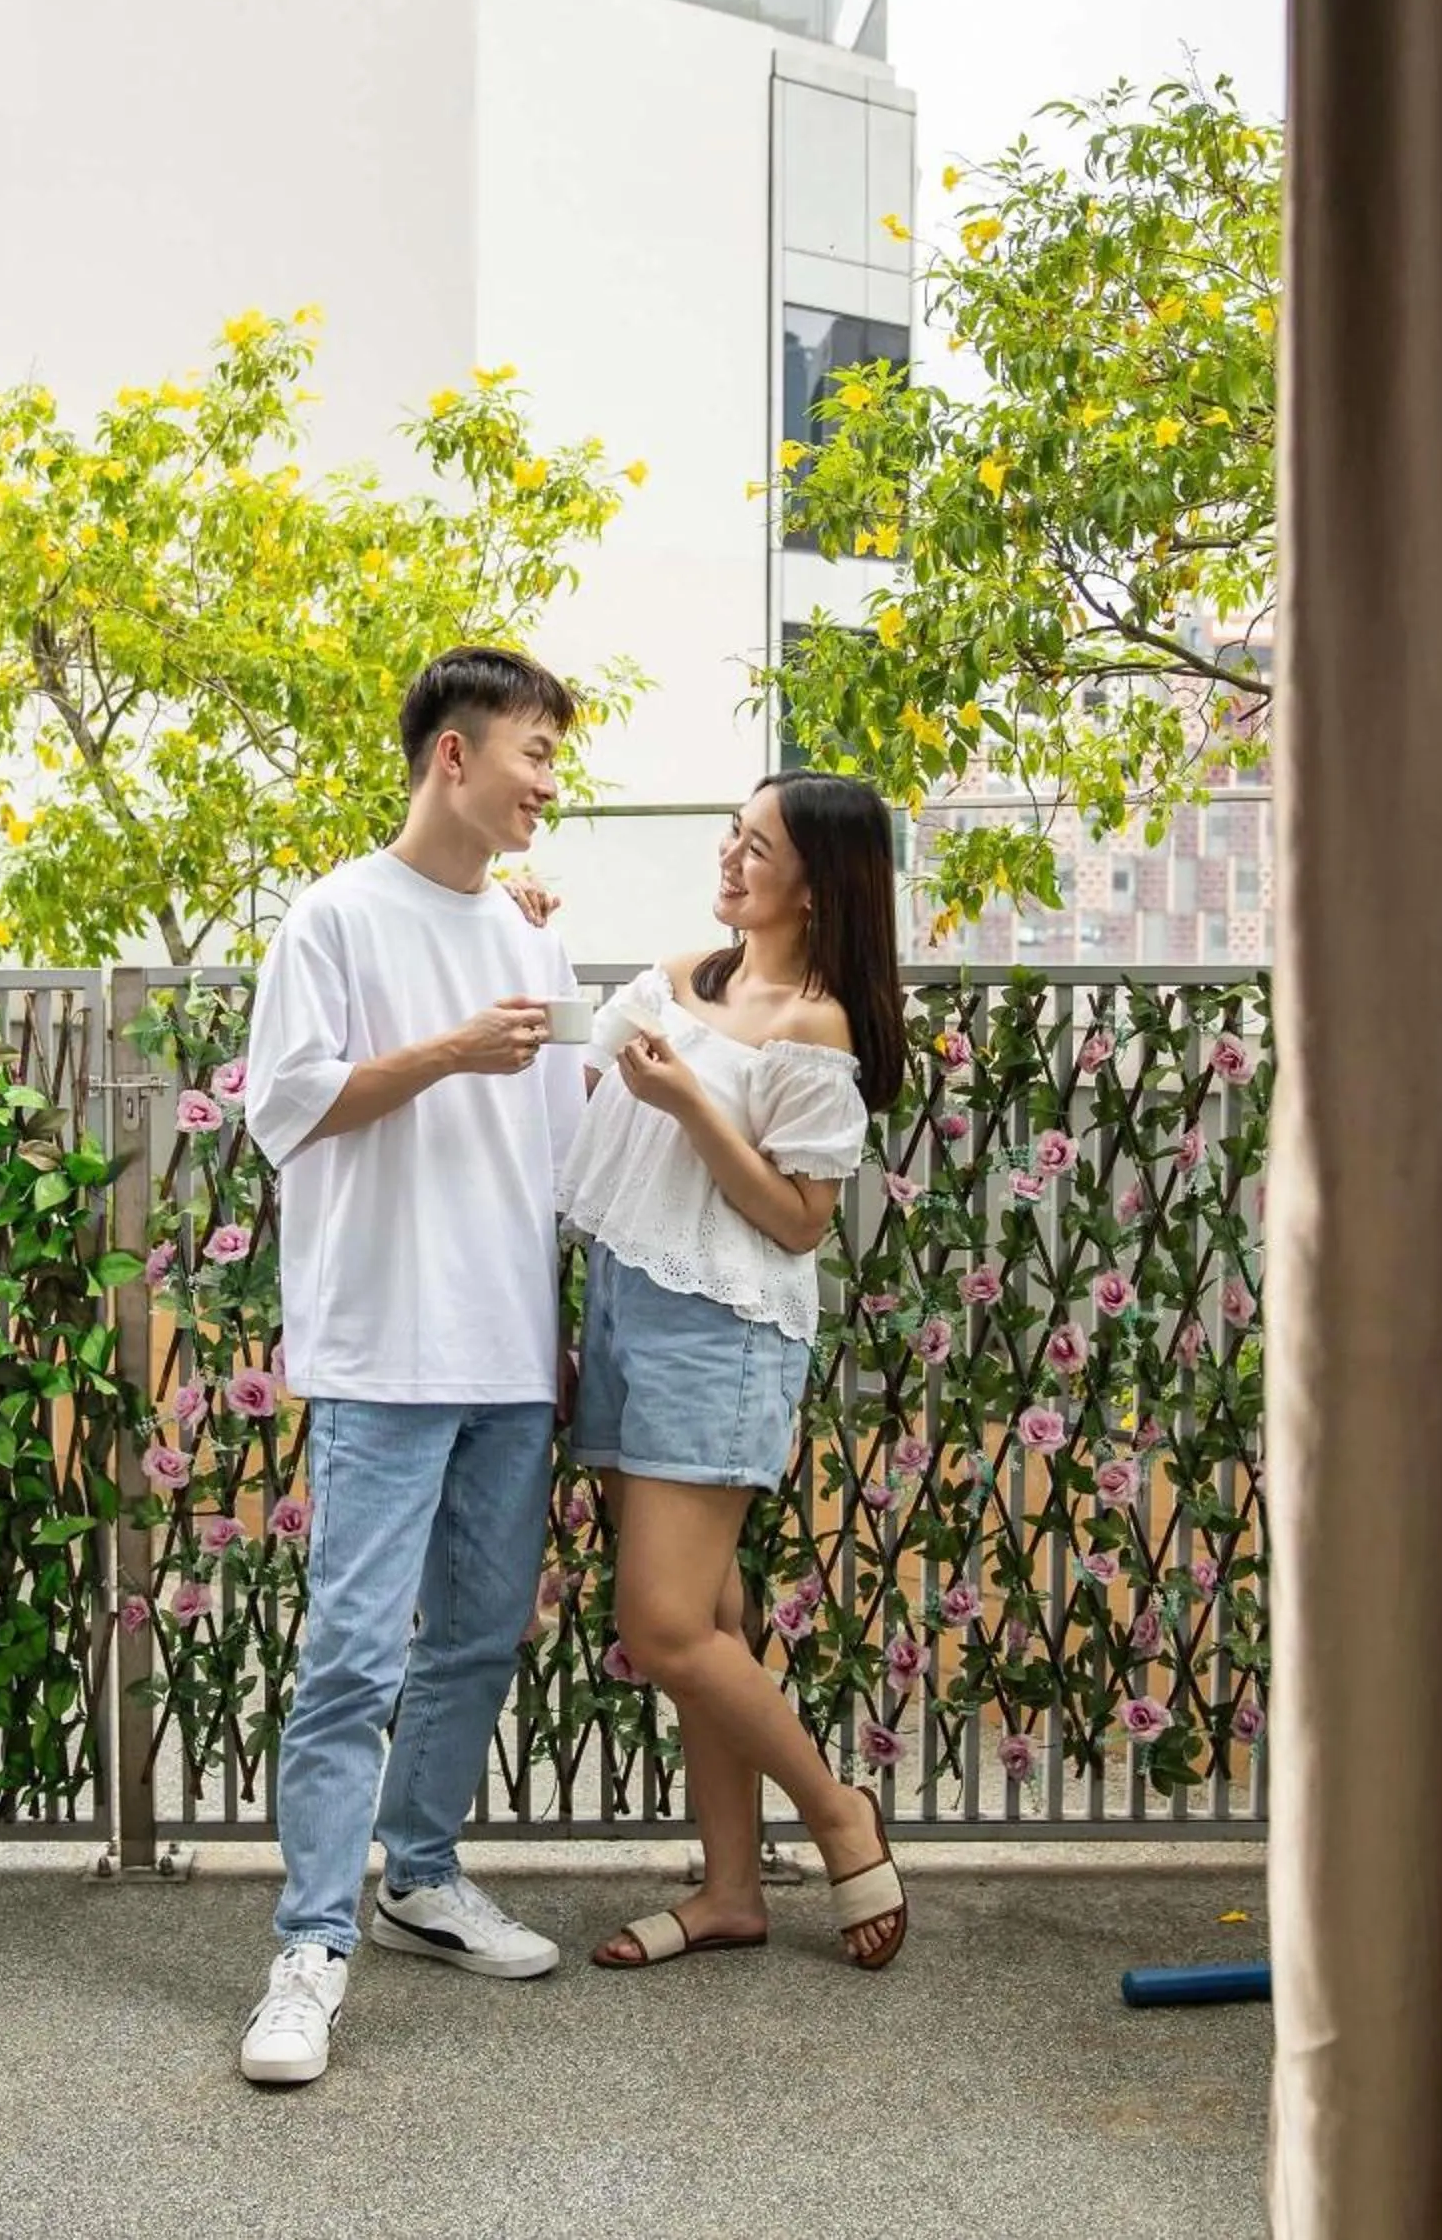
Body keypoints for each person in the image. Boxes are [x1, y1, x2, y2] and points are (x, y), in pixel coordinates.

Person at [233, 645, 587, 2086]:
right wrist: (446, 1052)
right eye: (535, 753)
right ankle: (310, 1947)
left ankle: (420, 1878)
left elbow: (562, 1150)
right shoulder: (333, 917)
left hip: (508, 1348)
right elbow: (285, 1108)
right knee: (352, 1654)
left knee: (478, 1635)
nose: (549, 783)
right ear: (454, 753)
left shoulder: (529, 935)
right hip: (384, 1346)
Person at [555, 770, 913, 1971]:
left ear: (817, 886)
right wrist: (525, 938)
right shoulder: (677, 980)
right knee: (709, 1616)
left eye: (757, 847)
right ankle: (730, 1892)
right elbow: (568, 1095)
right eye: (732, 834)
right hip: (627, 1305)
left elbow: (801, 1221)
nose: (729, 856)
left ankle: (837, 1814)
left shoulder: (815, 1026)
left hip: (723, 1329)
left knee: (660, 1626)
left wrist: (691, 1105)